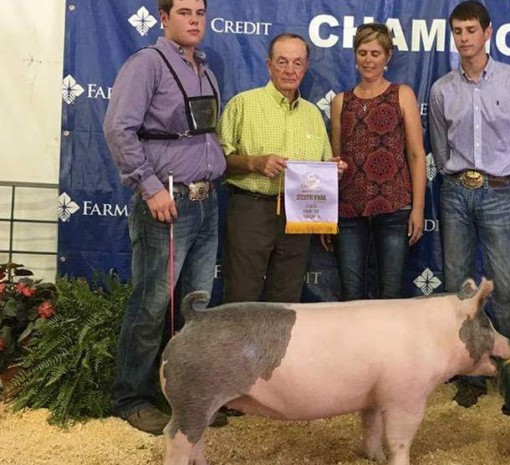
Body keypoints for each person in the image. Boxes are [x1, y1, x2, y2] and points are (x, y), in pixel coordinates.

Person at [103, 0, 226, 435]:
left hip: (206, 200)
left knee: (195, 306)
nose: (194, 20)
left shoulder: (205, 70)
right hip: (167, 202)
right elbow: (119, 128)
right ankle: (132, 397)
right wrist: (150, 187)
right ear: (164, 18)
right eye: (184, 12)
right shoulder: (147, 64)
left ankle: (186, 395)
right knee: (152, 303)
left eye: (200, 12)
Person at [428, 0, 510, 407]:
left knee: (507, 284)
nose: (464, 38)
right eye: (458, 31)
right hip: (455, 190)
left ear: (487, 33)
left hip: (497, 190)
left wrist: (506, 182)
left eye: (471, 30)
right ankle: (469, 373)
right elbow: (439, 147)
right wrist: (455, 176)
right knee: (459, 286)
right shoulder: (441, 88)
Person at [217, 33, 344, 304]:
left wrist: (332, 170)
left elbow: (321, 165)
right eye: (282, 62)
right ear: (268, 64)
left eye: (297, 63)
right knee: (241, 298)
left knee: (285, 302)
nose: (290, 70)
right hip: (251, 211)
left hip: (298, 216)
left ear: (306, 67)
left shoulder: (312, 114)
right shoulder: (243, 104)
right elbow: (217, 161)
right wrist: (254, 162)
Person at [324, 23, 426, 300]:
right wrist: (325, 217)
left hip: (394, 207)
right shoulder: (340, 102)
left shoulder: (402, 94)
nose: (368, 60)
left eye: (375, 53)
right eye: (362, 52)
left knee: (391, 294)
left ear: (388, 57)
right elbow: (336, 162)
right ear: (355, 56)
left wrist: (418, 209)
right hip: (348, 211)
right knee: (351, 294)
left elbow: (417, 155)